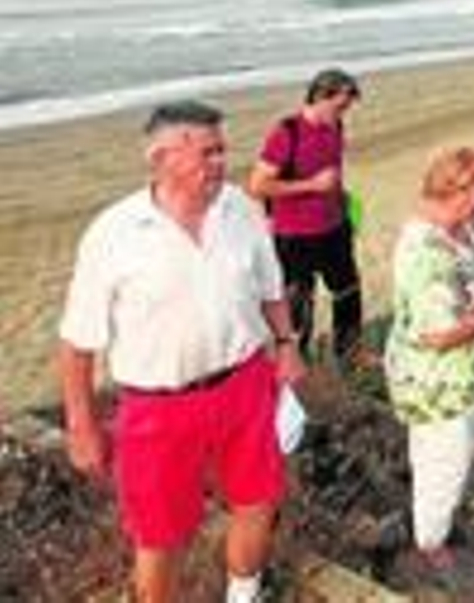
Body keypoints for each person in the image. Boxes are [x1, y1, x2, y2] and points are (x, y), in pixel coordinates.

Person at [58, 100, 306, 603]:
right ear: (161, 158)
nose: (220, 163)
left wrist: (286, 346)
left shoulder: (239, 208)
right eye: (207, 153)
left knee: (258, 500)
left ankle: (244, 594)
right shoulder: (114, 233)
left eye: (222, 151)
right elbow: (77, 341)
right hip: (157, 409)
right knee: (160, 536)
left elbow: (271, 287)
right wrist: (81, 425)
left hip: (245, 385)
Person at [385, 147, 474, 581]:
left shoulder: (457, 230)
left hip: (467, 383)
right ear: (459, 190)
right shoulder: (425, 251)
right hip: (440, 389)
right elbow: (437, 336)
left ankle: (443, 521)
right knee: (441, 466)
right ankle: (430, 547)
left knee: (456, 456)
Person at [248, 67, 366, 366]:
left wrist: (346, 208)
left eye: (348, 107)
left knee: (348, 291)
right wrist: (312, 185)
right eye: (340, 105)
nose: (344, 113)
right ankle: (298, 363)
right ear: (319, 97)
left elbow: (333, 175)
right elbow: (257, 185)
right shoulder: (287, 132)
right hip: (294, 235)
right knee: (299, 303)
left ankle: (349, 352)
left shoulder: (336, 126)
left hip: (334, 226)